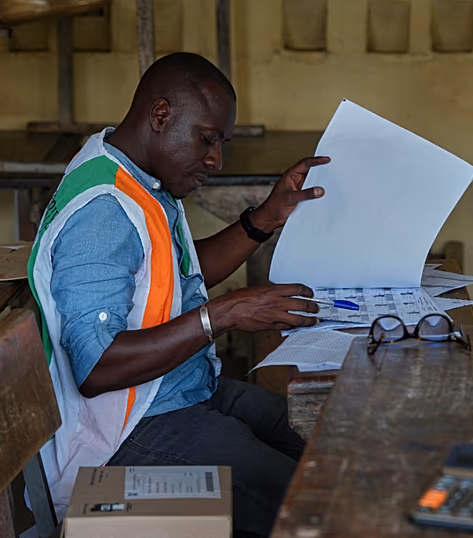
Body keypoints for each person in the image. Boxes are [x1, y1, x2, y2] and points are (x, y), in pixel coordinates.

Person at [27, 51, 329, 536]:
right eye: (207, 139)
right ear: (161, 115)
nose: (216, 158)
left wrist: (265, 219)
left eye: (221, 142)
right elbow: (96, 366)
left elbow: (173, 277)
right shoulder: (104, 209)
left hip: (180, 392)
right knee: (314, 507)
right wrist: (223, 315)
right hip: (123, 434)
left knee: (334, 445)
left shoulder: (132, 174)